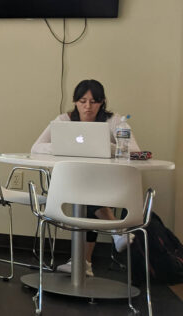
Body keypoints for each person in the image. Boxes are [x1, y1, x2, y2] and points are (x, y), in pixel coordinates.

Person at [31, 79, 139, 276]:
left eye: (94, 101)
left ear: (102, 102)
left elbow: (134, 151)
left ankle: (83, 262)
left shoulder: (114, 120)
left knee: (85, 193)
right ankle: (109, 238)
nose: (87, 107)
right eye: (82, 101)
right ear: (75, 101)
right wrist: (66, 146)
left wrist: (107, 147)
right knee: (85, 191)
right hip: (75, 182)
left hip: (107, 183)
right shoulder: (64, 120)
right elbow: (36, 147)